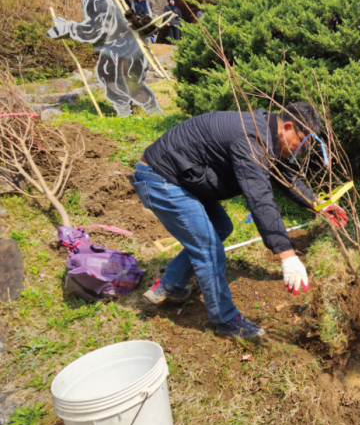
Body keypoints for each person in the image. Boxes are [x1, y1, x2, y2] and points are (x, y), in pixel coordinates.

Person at [130, 103, 348, 339]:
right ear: (287, 127)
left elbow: (284, 174)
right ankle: (225, 320)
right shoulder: (250, 139)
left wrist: (318, 204)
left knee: (221, 227)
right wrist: (287, 254)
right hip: (162, 178)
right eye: (302, 143)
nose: (301, 151)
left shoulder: (268, 132)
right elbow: (260, 198)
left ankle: (170, 284)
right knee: (208, 249)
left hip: (186, 176)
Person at [46, 0, 160, 117]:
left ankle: (151, 112)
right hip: (118, 46)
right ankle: (127, 114)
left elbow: (96, 29)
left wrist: (68, 29)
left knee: (126, 82)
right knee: (114, 80)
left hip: (122, 47)